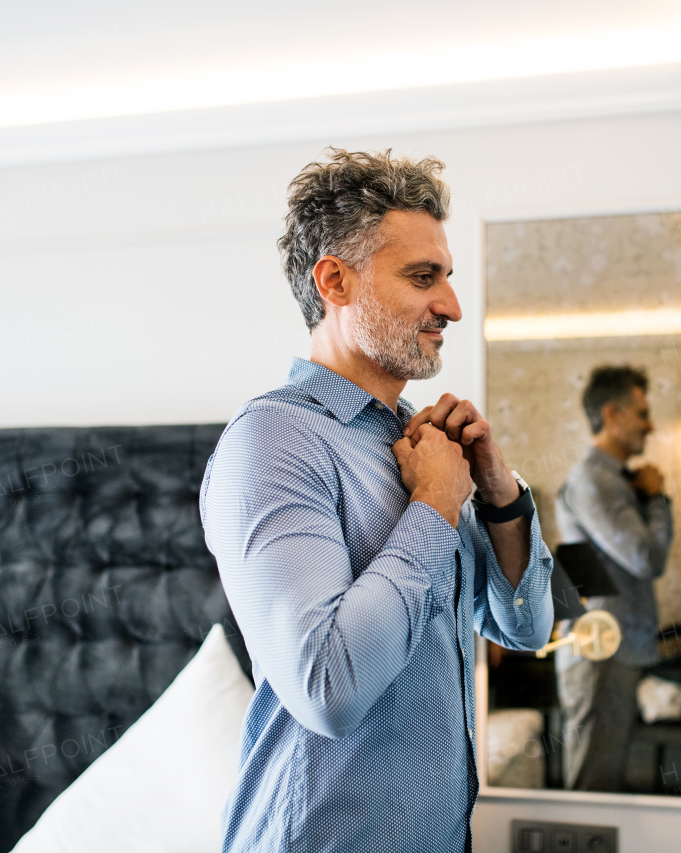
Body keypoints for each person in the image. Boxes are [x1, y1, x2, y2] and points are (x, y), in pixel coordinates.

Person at [200, 149, 554, 853]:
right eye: (423, 278)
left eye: (447, 278)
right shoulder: (272, 439)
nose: (451, 306)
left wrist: (496, 491)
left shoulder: (426, 449)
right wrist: (430, 507)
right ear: (334, 279)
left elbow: (524, 627)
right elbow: (328, 687)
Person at [554, 365, 673, 790]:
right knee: (594, 787)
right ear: (612, 414)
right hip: (601, 647)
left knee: (606, 780)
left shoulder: (614, 480)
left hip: (612, 646)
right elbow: (646, 558)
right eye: (642, 413)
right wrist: (658, 498)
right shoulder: (594, 479)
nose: (651, 425)